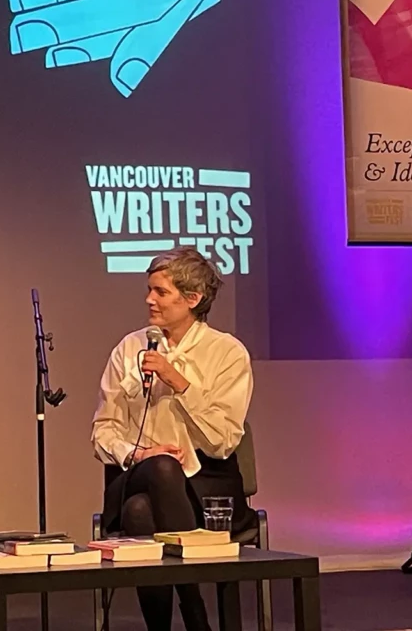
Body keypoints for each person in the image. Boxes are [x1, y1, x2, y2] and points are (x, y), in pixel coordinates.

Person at [91, 246, 257, 631]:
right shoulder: (129, 348)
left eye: (160, 292)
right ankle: (195, 614)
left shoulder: (227, 353)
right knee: (160, 466)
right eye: (149, 290)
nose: (149, 299)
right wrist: (138, 454)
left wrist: (179, 383)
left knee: (140, 513)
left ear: (193, 299)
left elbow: (223, 441)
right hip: (134, 475)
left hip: (206, 490)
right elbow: (103, 431)